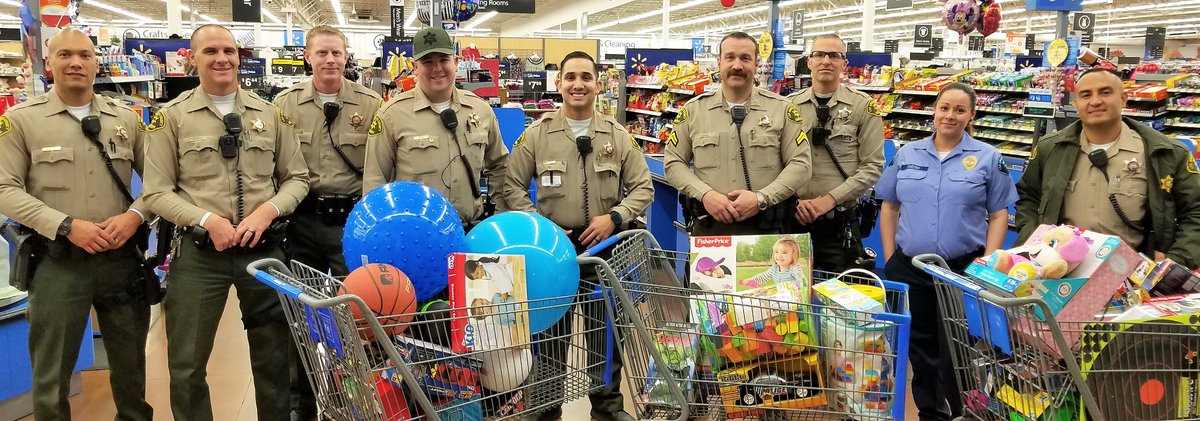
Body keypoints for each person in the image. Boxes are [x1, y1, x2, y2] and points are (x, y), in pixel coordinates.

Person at [142, 24, 309, 421]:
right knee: (186, 364)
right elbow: (156, 191)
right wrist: (204, 219)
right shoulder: (172, 118)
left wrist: (268, 210)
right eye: (211, 51)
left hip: (264, 252)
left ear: (239, 57)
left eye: (230, 51)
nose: (222, 59)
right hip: (200, 256)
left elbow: (297, 178)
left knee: (274, 360)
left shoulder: (271, 115)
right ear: (192, 58)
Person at [0, 28, 154, 421]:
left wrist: (135, 215)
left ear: (96, 62)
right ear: (48, 63)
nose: (75, 63)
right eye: (65, 55)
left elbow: (159, 183)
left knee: (131, 368)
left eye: (84, 55)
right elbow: (4, 188)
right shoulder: (21, 122)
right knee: (51, 376)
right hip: (57, 264)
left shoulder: (126, 120)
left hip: (122, 262)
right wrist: (66, 225)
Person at [504, 50, 652, 421]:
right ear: (559, 84)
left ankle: (607, 409)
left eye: (586, 77)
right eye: (570, 77)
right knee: (550, 340)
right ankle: (545, 409)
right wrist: (541, 223)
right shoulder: (536, 135)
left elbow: (643, 187)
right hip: (552, 258)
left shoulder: (618, 136)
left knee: (606, 340)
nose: (578, 84)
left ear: (598, 85)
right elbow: (512, 186)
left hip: (604, 255)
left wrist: (614, 217)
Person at [875, 83, 1017, 421]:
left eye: (959, 110)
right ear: (934, 111)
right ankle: (931, 412)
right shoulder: (908, 153)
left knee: (960, 346)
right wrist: (891, 256)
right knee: (920, 347)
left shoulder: (988, 157)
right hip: (910, 266)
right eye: (944, 108)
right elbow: (889, 206)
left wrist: (989, 262)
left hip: (962, 268)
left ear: (971, 115)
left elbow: (998, 214)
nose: (949, 116)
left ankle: (963, 409)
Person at [271, 25, 381, 420]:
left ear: (347, 56)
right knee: (299, 324)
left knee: (356, 323)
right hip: (300, 227)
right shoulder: (284, 105)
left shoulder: (372, 105)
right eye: (322, 54)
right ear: (307, 57)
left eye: (337, 53)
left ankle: (358, 405)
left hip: (351, 227)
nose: (330, 60)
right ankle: (302, 408)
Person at [1016, 68, 1200, 267]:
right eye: (1086, 95)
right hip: (1063, 271)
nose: (1095, 101)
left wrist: (1177, 260)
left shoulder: (1166, 154)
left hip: (1135, 273)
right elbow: (1028, 199)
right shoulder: (1050, 149)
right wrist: (1038, 246)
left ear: (1123, 99)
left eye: (1105, 92)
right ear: (1076, 104)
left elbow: (1195, 211)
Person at [665, 31, 811, 236]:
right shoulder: (693, 111)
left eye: (745, 58)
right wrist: (706, 195)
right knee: (711, 270)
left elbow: (801, 165)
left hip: (767, 231)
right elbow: (673, 163)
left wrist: (761, 198)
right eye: (730, 57)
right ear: (719, 63)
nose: (737, 65)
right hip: (710, 231)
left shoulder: (782, 110)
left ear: (757, 64)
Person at [364, 27, 509, 228]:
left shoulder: (481, 110)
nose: (437, 68)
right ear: (415, 67)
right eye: (428, 62)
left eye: (443, 59)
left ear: (456, 62)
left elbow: (500, 166)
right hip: (415, 236)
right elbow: (375, 180)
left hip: (471, 231)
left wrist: (499, 216)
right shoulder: (391, 114)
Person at [788, 34, 885, 272]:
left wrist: (827, 200)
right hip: (792, 218)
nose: (826, 61)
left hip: (840, 224)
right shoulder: (787, 106)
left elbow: (873, 166)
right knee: (787, 300)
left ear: (844, 64)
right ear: (809, 62)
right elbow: (776, 163)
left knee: (842, 301)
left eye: (834, 55)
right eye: (819, 54)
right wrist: (792, 201)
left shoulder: (864, 107)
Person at [740, 236, 807, 290]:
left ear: (793, 255)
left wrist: (794, 286)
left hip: (793, 299)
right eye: (776, 252)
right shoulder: (774, 269)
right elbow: (763, 276)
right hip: (781, 297)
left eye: (784, 252)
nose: (779, 255)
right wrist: (752, 280)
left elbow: (803, 281)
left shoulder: (794, 268)